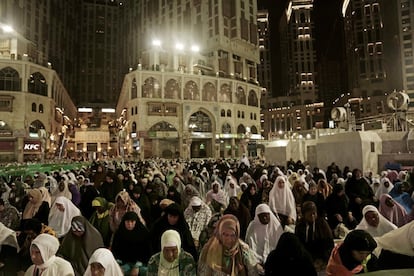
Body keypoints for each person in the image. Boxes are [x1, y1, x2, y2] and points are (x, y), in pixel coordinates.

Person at [295, 201, 334, 272]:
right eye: (310, 214)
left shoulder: (322, 223)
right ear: (304, 215)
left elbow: (329, 243)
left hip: (322, 257)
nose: (312, 216)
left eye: (314, 213)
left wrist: (322, 259)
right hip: (306, 258)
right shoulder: (300, 226)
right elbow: (298, 245)